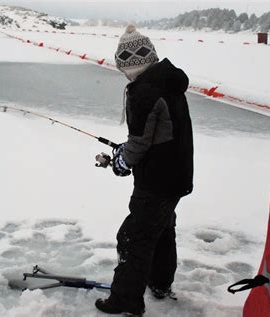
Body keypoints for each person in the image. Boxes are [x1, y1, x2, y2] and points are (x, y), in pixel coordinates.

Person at [95, 25, 194, 316]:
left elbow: (139, 143)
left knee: (133, 237)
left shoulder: (144, 91)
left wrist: (121, 162)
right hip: (176, 175)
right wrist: (127, 153)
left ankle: (125, 300)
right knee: (162, 231)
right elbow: (156, 133)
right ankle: (160, 284)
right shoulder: (168, 81)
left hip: (156, 180)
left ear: (129, 64)